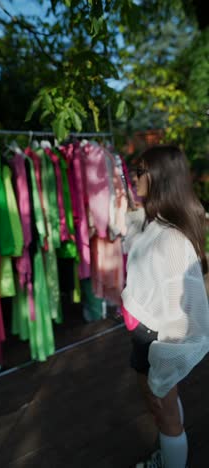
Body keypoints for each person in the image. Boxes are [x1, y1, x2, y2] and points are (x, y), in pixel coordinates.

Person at [121, 145, 209, 468]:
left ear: (161, 178)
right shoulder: (153, 221)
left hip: (158, 339)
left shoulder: (171, 238)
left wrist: (164, 356)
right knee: (160, 405)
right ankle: (169, 455)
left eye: (141, 171)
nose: (135, 176)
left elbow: (179, 311)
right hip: (145, 333)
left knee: (165, 413)